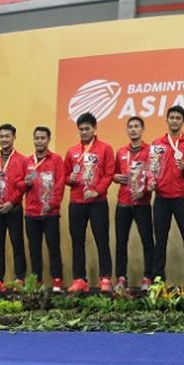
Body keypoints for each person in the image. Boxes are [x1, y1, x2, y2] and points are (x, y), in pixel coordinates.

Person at [150, 105, 184, 290]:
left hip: (182, 197)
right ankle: (158, 277)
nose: (175, 120)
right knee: (160, 239)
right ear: (167, 119)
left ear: (183, 121)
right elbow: (151, 169)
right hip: (161, 198)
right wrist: (151, 181)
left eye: (178, 117)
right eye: (172, 117)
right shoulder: (157, 143)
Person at [64, 112, 114, 293]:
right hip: (76, 202)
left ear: (95, 128)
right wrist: (70, 178)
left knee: (102, 240)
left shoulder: (105, 149)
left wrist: (96, 191)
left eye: (87, 129)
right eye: (81, 129)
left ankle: (105, 278)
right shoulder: (72, 152)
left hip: (98, 202)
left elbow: (109, 174)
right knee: (77, 241)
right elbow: (65, 176)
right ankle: (79, 279)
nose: (84, 132)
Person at [0, 124, 27, 291]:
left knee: (17, 243)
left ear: (14, 137)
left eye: (7, 136)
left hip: (13, 208)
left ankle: (19, 278)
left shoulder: (22, 160)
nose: (4, 139)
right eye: (1, 136)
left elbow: (22, 185)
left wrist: (11, 202)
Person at [113, 116, 154, 291]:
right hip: (123, 203)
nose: (133, 130)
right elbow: (113, 174)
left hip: (142, 203)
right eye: (130, 127)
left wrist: (144, 190)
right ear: (127, 130)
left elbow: (153, 176)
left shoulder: (150, 151)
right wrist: (115, 177)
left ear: (143, 129)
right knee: (121, 241)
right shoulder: (121, 152)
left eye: (136, 126)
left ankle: (148, 277)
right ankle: (121, 278)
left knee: (147, 241)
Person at [22, 126, 65, 291]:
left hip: (51, 213)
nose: (39, 141)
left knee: (53, 248)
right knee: (34, 250)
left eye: (42, 138)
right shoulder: (27, 161)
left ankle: (57, 281)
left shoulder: (56, 160)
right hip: (31, 213)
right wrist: (24, 183)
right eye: (37, 138)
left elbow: (60, 185)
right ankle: (36, 282)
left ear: (48, 140)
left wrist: (52, 204)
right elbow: (19, 185)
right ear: (33, 140)